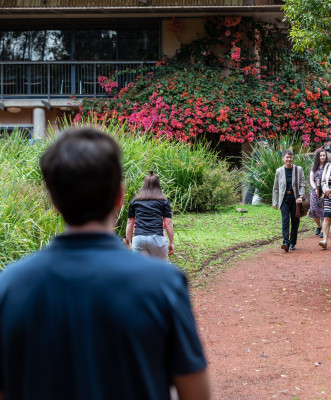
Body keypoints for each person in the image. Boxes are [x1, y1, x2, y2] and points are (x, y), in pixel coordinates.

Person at [0, 127, 210, 400]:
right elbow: (195, 392)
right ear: (119, 197)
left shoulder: (9, 287)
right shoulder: (164, 284)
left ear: (53, 200)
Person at [125, 171, 174, 261]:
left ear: (144, 185)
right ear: (158, 186)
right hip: (157, 238)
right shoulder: (163, 201)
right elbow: (169, 223)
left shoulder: (135, 201)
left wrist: (128, 242)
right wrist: (171, 243)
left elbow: (130, 222)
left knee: (141, 270)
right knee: (161, 268)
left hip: (138, 239)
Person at [272, 149, 306, 252]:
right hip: (284, 199)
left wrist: (300, 196)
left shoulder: (298, 169)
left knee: (295, 220)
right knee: (285, 220)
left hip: (295, 198)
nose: (289, 159)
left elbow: (303, 184)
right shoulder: (279, 171)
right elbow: (276, 188)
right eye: (287, 157)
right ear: (283, 158)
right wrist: (275, 201)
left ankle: (292, 242)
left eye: (290, 157)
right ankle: (285, 242)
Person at [309, 149, 328, 238]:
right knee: (313, 209)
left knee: (324, 211)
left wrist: (324, 190)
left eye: (324, 155)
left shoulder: (328, 167)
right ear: (318, 157)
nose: (322, 157)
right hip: (315, 191)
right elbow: (311, 180)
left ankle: (323, 231)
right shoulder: (314, 167)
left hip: (325, 191)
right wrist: (315, 188)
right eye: (321, 155)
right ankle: (319, 226)